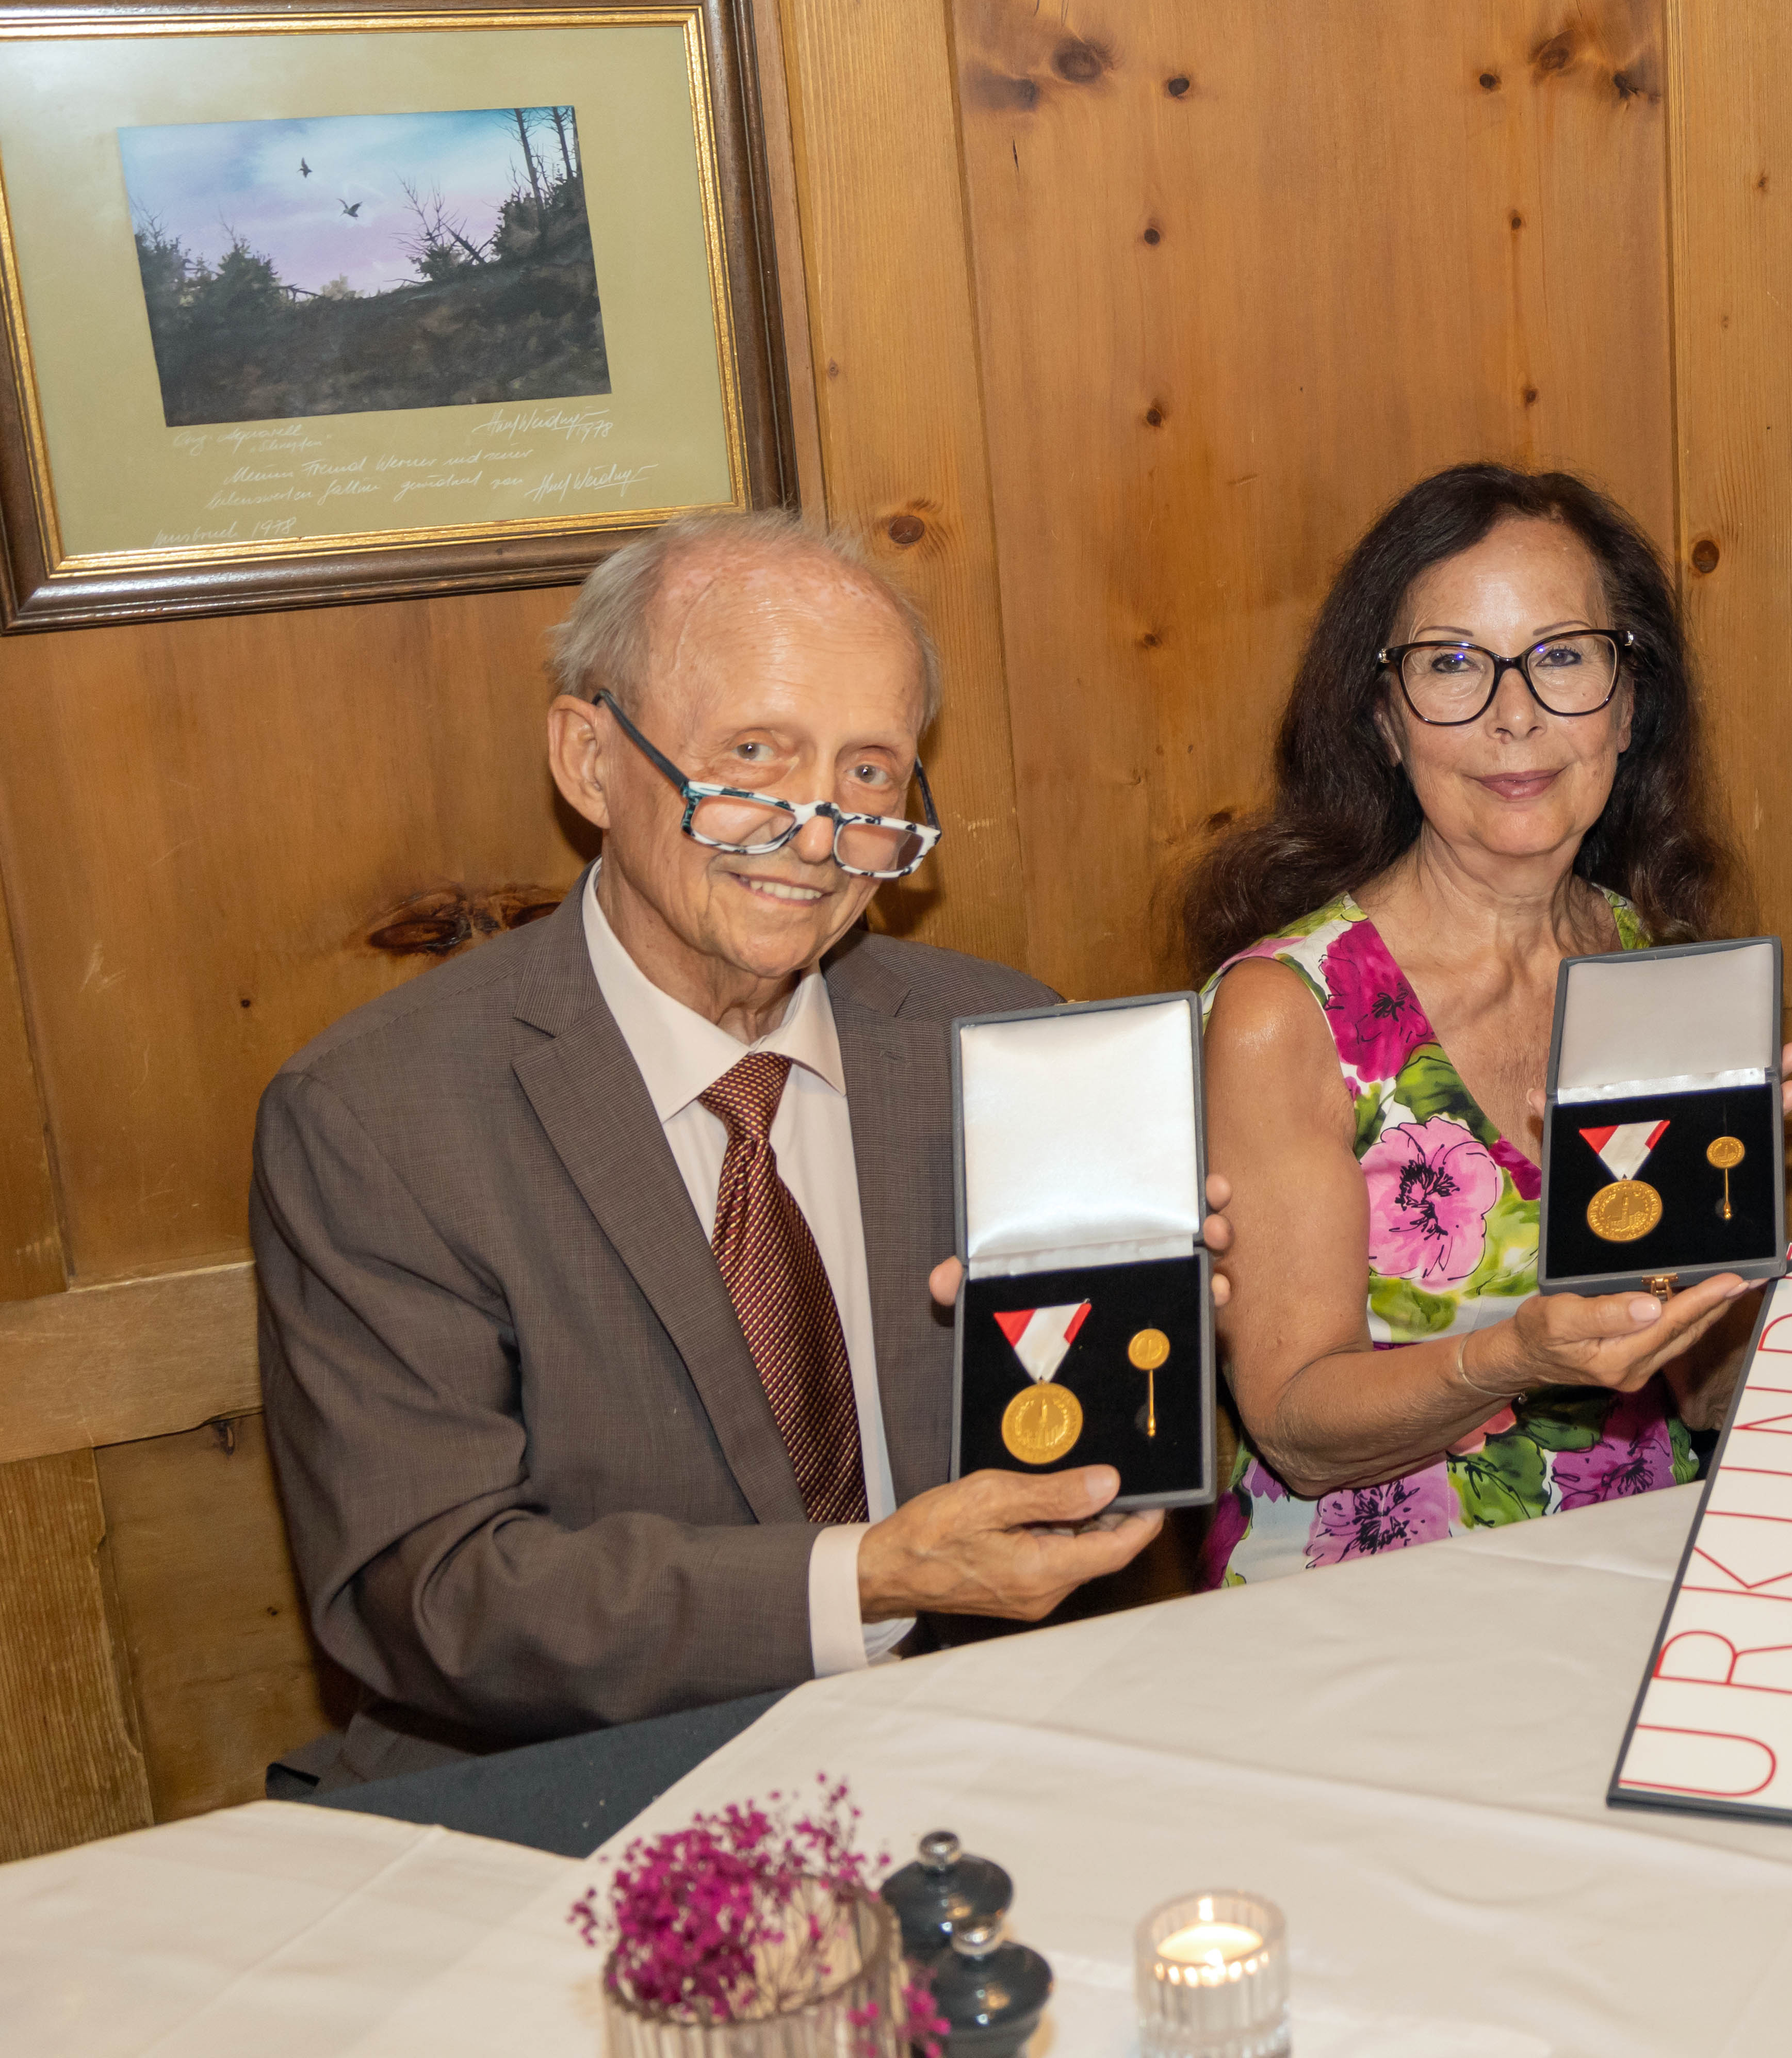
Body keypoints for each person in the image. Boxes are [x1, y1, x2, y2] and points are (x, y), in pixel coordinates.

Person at [254, 510, 1220, 1778]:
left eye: (869, 772)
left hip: (989, 1754)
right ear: (591, 760)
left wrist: (1161, 1350)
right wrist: (862, 1582)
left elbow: (1096, 1479)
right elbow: (434, 1592)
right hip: (582, 1795)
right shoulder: (381, 1118)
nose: (816, 834)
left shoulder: (1002, 1043)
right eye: (754, 756)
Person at [1183, 464, 1792, 1584]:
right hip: (1367, 1603)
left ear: (1626, 704)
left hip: (1637, 1569)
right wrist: (1513, 1355)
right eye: (1454, 664)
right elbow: (1295, 1429)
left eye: (1563, 656)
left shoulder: (1652, 961)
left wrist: (1734, 1254)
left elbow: (1708, 1397)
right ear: (1383, 716)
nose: (1515, 715)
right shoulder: (1287, 1011)